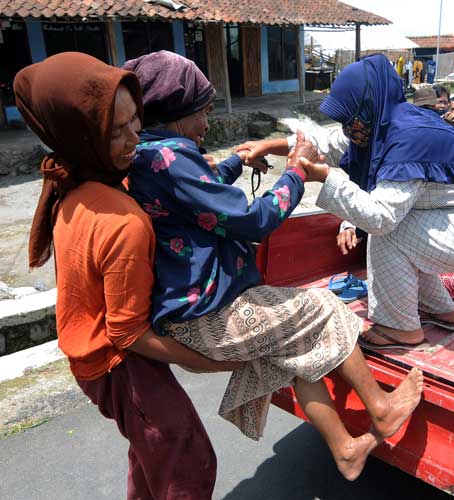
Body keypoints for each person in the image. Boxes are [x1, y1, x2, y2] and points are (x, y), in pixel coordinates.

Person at [123, 51, 423, 481]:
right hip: (205, 316)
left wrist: (236, 162)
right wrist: (296, 174)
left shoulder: (151, 154)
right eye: (204, 112)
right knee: (323, 306)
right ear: (178, 111)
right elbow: (254, 220)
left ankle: (346, 450)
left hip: (188, 312)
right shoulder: (169, 159)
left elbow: (195, 192)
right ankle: (382, 405)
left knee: (295, 352)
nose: (208, 122)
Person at [14, 52, 246, 499]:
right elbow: (129, 334)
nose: (135, 136)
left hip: (92, 355)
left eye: (135, 120)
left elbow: (181, 184)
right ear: (80, 135)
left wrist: (230, 164)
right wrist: (215, 362)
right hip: (118, 364)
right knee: (185, 458)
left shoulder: (80, 183)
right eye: (116, 130)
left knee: (149, 455)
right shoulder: (123, 221)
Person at [301, 54, 454, 349]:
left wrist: (324, 179)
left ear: (369, 105)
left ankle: (398, 328)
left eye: (351, 117)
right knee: (404, 229)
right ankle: (442, 310)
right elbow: (331, 144)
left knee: (387, 230)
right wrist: (270, 146)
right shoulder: (388, 124)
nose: (348, 126)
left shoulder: (406, 138)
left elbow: (379, 218)